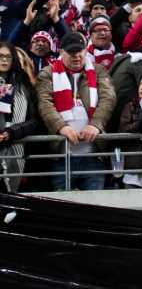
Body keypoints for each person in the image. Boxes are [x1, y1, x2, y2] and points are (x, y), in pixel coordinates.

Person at [35, 30, 116, 191]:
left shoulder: (98, 70)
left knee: (95, 206)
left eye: (80, 51)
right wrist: (61, 126)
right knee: (61, 208)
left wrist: (96, 124)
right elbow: (44, 102)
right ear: (61, 52)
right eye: (71, 52)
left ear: (85, 50)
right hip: (61, 156)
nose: (76, 56)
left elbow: (108, 98)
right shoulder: (48, 73)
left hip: (93, 156)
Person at [0, 41, 40, 192]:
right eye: (0, 56)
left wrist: (12, 132)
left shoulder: (23, 86)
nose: (4, 60)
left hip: (14, 146)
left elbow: (34, 121)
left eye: (8, 57)